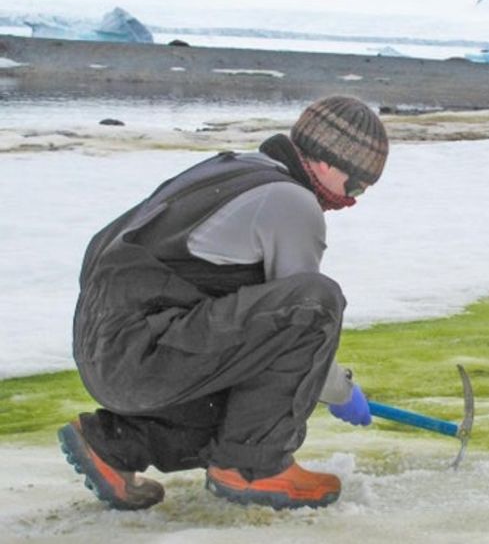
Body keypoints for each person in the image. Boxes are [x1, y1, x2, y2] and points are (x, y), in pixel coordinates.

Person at [57, 95, 389, 511]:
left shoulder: (236, 169)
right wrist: (341, 389)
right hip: (142, 352)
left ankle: (115, 445)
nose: (352, 199)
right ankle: (254, 467)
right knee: (319, 302)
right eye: (356, 185)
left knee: (243, 398)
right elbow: (302, 319)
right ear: (326, 162)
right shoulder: (291, 201)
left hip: (109, 348)